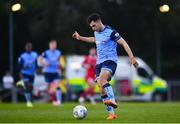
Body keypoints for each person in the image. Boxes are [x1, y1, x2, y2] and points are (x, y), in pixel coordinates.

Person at [72, 13, 138, 120]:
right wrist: (80, 37)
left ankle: (113, 100)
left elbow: (124, 44)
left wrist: (132, 58)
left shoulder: (111, 32)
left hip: (110, 61)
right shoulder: (96, 32)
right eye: (91, 27)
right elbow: (93, 39)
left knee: (103, 79)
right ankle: (112, 114)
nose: (93, 28)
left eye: (94, 25)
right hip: (99, 63)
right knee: (101, 88)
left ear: (98, 22)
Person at [40, 40, 62, 106]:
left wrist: (59, 66)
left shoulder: (58, 52)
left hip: (55, 72)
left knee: (57, 86)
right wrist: (44, 63)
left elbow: (58, 61)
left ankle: (58, 101)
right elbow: (40, 59)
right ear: (50, 45)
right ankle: (50, 99)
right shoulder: (46, 53)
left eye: (55, 45)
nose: (54, 46)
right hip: (48, 72)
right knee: (48, 88)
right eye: (52, 45)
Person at [18, 42, 38, 107]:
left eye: (30, 47)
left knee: (31, 87)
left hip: (32, 74)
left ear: (31, 47)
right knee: (27, 86)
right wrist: (24, 67)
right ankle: (28, 102)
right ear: (25, 48)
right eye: (27, 47)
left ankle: (29, 99)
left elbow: (36, 63)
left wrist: (37, 69)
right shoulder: (22, 56)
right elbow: (19, 66)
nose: (29, 48)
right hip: (25, 73)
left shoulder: (35, 54)